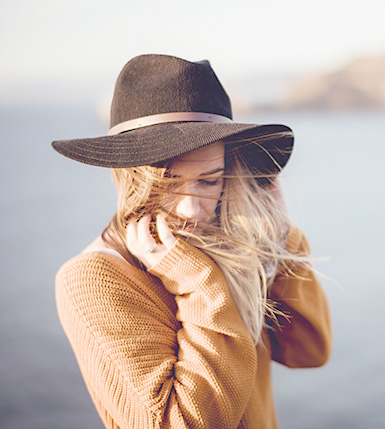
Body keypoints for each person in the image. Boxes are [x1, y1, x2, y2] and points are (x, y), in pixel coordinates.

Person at [51, 54, 332, 428]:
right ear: (131, 178)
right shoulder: (93, 281)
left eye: (210, 180)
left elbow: (309, 352)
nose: (192, 208)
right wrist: (201, 287)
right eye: (168, 183)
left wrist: (277, 243)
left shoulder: (231, 244)